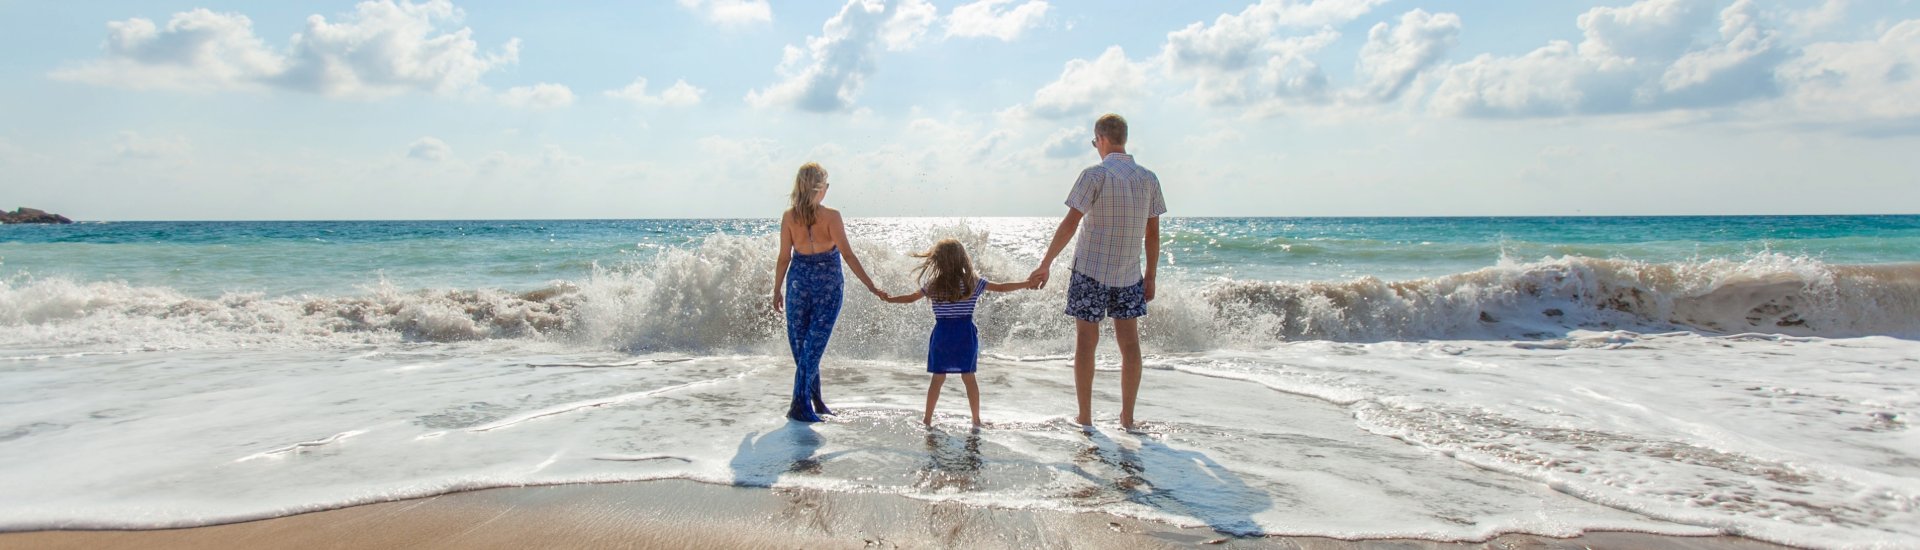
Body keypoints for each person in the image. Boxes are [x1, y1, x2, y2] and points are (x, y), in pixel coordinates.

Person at [1027, 113, 1167, 430]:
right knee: (1130, 345)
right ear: (1124, 139)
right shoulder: (1149, 178)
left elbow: (1070, 223)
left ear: (1101, 138)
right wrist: (1152, 275)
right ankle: (1127, 419)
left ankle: (1086, 417)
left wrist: (1046, 262)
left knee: (1086, 343)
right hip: (1130, 274)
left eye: (1095, 142)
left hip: (1090, 271)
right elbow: (1153, 235)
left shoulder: (1094, 176)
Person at [772, 162, 885, 423]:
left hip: (798, 284)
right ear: (820, 188)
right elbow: (847, 254)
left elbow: (783, 258)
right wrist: (870, 285)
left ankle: (814, 401)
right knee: (810, 348)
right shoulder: (831, 216)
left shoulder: (790, 217)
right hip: (828, 286)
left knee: (805, 348)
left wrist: (777, 289)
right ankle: (800, 405)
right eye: (826, 184)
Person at [883, 239, 1034, 428]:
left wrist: (890, 299)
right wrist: (1027, 283)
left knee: (937, 379)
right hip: (964, 336)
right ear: (963, 259)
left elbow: (911, 298)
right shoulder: (972, 283)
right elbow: (1002, 287)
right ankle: (976, 420)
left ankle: (927, 420)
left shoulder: (934, 285)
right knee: (969, 378)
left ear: (937, 261)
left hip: (942, 335)